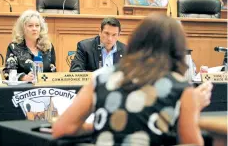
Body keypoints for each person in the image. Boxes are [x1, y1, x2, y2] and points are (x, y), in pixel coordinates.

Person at [52, 14, 213, 146]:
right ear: (177, 47)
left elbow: (61, 128)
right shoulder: (181, 88)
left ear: (135, 39)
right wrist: (193, 107)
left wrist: (105, 124)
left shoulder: (100, 78)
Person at [3, 10, 56, 81]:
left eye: (37, 25)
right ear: (23, 28)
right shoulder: (14, 47)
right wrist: (23, 77)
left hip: (45, 88)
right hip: (23, 89)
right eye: (30, 26)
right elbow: (8, 73)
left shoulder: (48, 46)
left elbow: (53, 71)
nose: (34, 29)